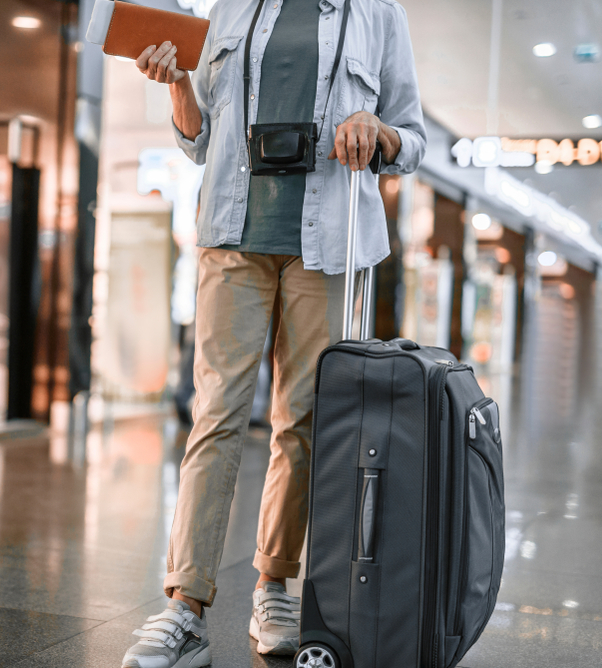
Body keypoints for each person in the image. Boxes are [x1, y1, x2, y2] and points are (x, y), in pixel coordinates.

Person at [121, 0, 426, 665]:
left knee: (303, 421)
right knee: (217, 414)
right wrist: (176, 82)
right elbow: (197, 140)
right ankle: (186, 605)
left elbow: (415, 139)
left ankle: (274, 585)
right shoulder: (230, 8)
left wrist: (379, 129)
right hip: (232, 236)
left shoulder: (375, 13)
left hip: (329, 245)